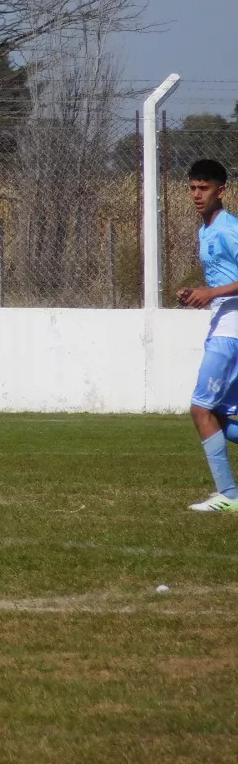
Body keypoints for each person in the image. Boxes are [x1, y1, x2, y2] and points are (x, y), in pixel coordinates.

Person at [176, 158, 238, 512]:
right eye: (193, 188)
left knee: (200, 408)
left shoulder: (229, 228)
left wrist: (212, 294)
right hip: (223, 322)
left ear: (221, 190)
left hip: (232, 328)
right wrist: (199, 294)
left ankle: (229, 495)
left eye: (204, 188)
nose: (197, 195)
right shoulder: (206, 229)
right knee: (221, 415)